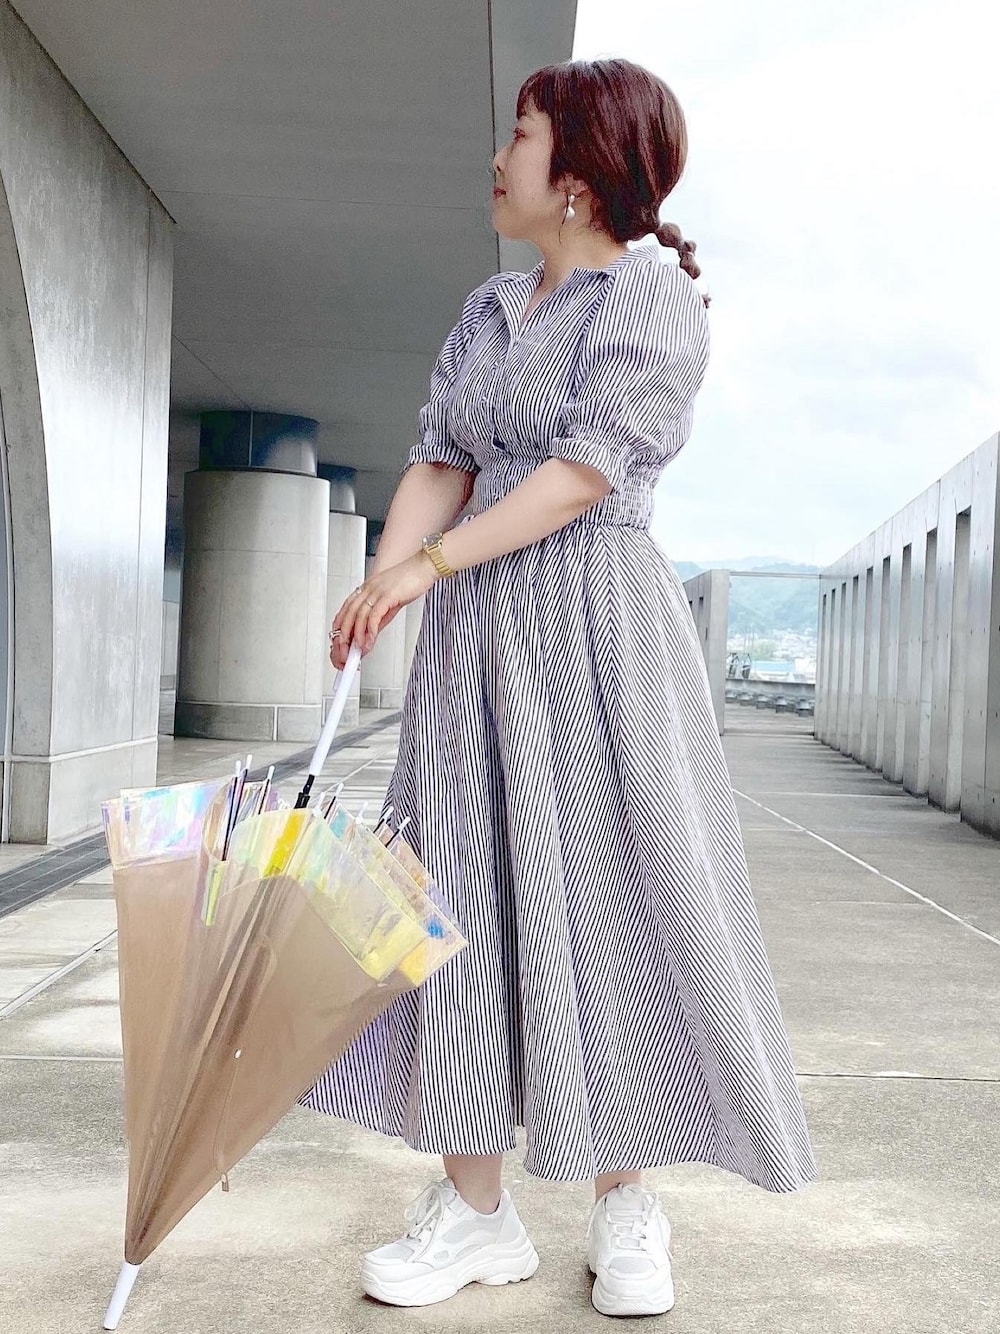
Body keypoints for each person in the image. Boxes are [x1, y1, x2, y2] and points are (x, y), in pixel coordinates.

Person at [303, 57, 815, 1318]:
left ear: (579, 174)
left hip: (594, 632)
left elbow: (582, 474)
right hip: (473, 644)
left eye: (521, 134)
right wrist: (383, 582)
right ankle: (475, 1209)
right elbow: (441, 455)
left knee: (610, 898)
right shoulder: (487, 308)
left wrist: (428, 564)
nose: (498, 156)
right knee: (449, 900)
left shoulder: (650, 301)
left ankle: (624, 1200)